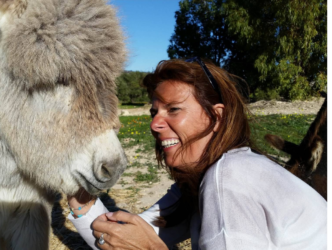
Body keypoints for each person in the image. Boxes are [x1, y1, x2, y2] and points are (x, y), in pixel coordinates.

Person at [67, 58, 327, 250]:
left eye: (174, 109)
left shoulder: (230, 179)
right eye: (154, 112)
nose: (154, 124)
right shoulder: (198, 182)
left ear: (216, 117)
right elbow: (118, 238)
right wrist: (79, 197)